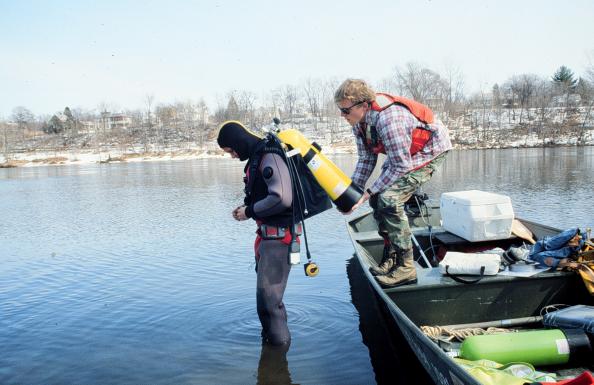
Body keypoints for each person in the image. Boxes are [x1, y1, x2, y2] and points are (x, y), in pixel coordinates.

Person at [335, 79, 452, 287]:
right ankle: (393, 257)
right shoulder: (359, 123)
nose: (342, 116)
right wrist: (352, 193)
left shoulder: (389, 118)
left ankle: (406, 267)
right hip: (406, 156)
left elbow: (400, 166)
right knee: (377, 199)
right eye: (340, 110)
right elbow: (366, 159)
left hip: (430, 150)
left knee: (389, 199)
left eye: (345, 111)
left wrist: (368, 191)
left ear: (363, 105)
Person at [217, 121, 296, 346]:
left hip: (279, 239)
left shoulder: (269, 155)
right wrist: (247, 208)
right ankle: (272, 348)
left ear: (238, 142)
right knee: (266, 303)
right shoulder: (257, 158)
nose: (232, 156)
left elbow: (282, 198)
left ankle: (277, 361)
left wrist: (249, 211)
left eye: (231, 150)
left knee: (270, 304)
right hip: (269, 238)